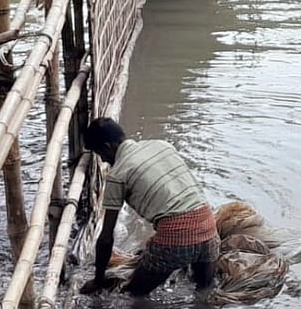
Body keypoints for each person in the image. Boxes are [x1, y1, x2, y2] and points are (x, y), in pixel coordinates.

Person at [79, 117, 220, 297]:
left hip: (175, 238)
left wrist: (98, 280)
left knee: (133, 296)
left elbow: (106, 238)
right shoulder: (162, 146)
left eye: (101, 155)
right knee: (204, 293)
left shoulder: (118, 174)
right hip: (208, 228)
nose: (105, 161)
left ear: (107, 148)